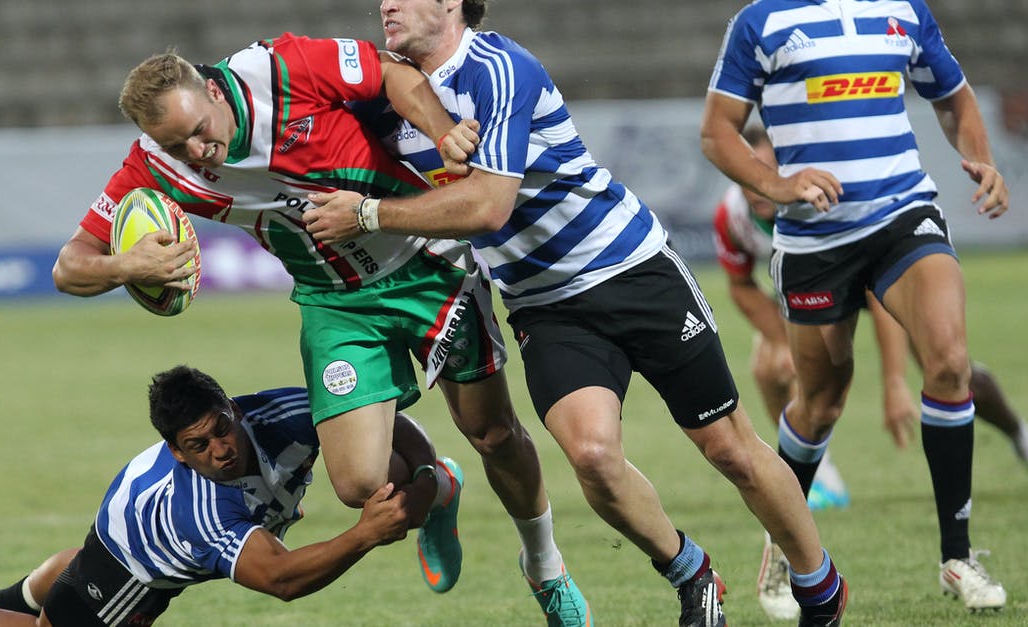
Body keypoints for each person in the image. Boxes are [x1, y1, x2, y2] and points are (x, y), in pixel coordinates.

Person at [303, 2, 847, 625]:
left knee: (729, 449)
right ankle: (691, 571)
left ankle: (820, 590)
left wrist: (369, 214)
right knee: (591, 457)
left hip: (632, 270)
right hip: (544, 305)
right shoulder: (385, 92)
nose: (386, 3)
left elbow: (488, 208)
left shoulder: (498, 68)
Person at [51, 35, 588, 624]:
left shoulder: (278, 67)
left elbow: (388, 71)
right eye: (178, 144)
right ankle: (440, 491)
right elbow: (70, 266)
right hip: (334, 303)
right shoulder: (153, 165)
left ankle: (546, 568)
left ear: (211, 88)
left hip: (425, 261)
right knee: (360, 487)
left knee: (492, 434)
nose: (199, 152)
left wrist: (440, 131)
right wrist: (127, 266)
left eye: (202, 130)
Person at [701, 0, 1010, 614]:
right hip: (814, 241)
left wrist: (982, 159)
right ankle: (786, 548)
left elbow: (955, 98)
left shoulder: (904, 10)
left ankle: (958, 557)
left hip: (903, 215)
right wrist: (778, 184)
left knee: (948, 360)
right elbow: (716, 133)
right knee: (821, 402)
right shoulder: (761, 21)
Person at [0, 365, 420, 627]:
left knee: (77, 580)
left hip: (145, 521)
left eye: (222, 428)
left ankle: (7, 598)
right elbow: (281, 580)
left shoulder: (283, 411)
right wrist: (364, 534)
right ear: (178, 453)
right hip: (140, 555)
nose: (220, 450)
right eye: (197, 446)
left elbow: (374, 419)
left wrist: (425, 469)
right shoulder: (198, 507)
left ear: (234, 408)